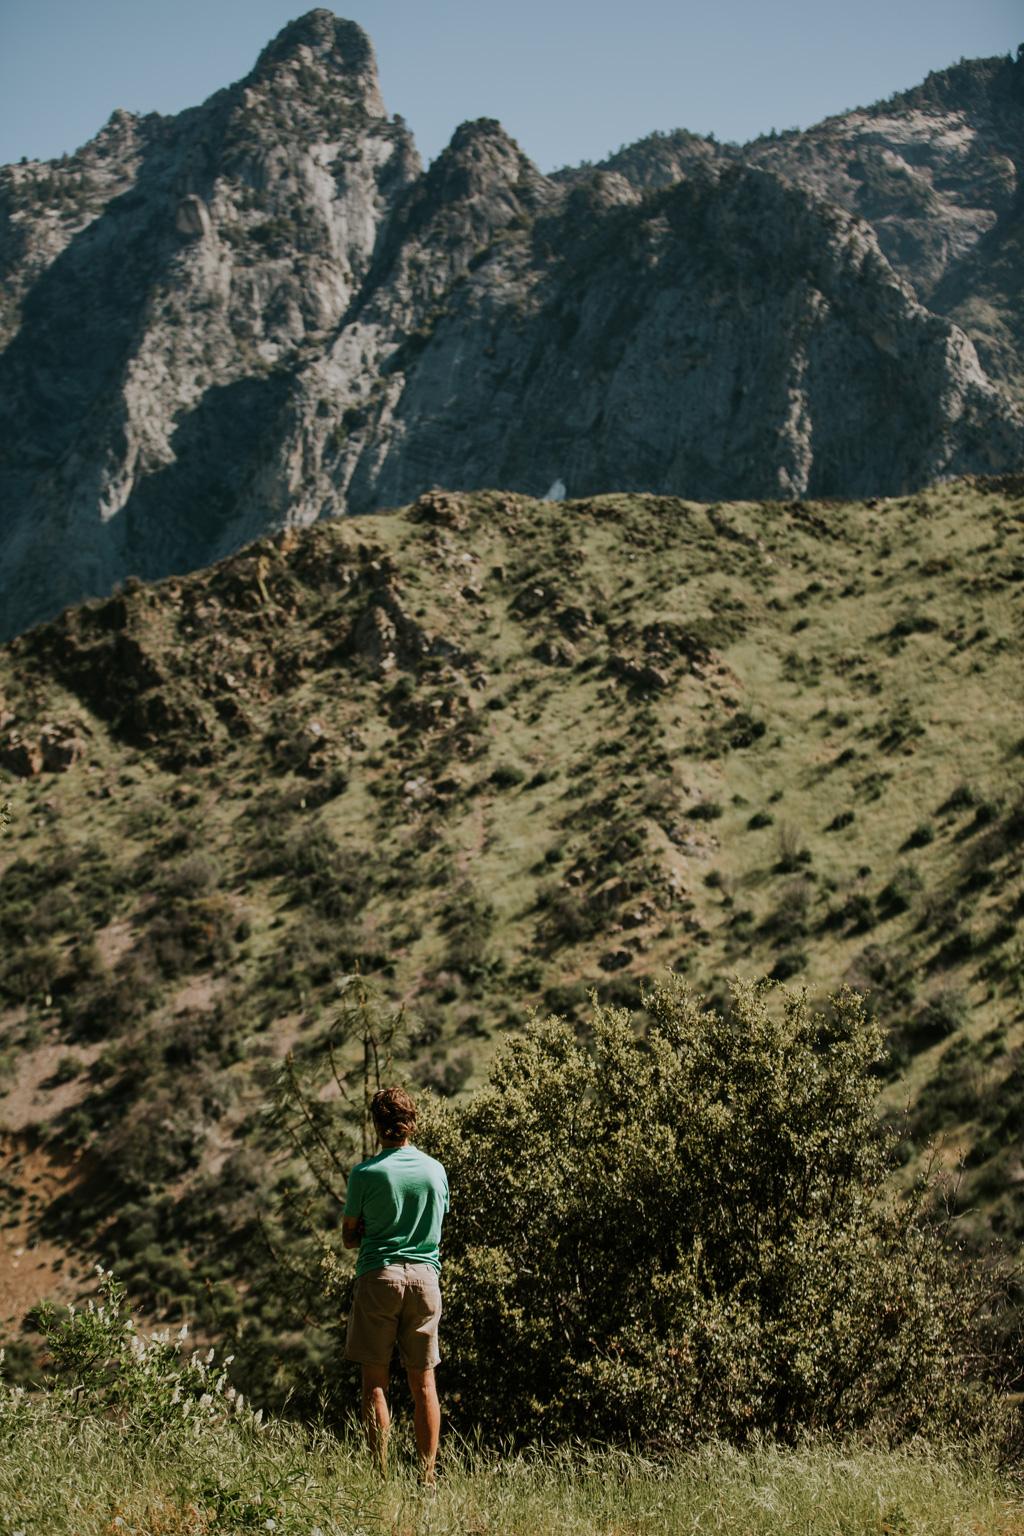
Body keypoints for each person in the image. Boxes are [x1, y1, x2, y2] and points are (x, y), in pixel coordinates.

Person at [342, 1086, 449, 1485]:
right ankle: (427, 1479)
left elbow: (350, 1236)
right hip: (425, 1280)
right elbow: (437, 1224)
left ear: (376, 1126)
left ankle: (380, 1478)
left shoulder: (364, 1174)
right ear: (412, 1124)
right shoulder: (435, 1170)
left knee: (376, 1383)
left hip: (379, 1277)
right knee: (424, 1382)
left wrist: (369, 1230)